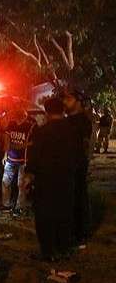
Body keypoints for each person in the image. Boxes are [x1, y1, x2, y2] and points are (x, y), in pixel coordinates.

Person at [27, 97, 78, 259]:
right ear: (62, 111)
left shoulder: (42, 131)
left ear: (47, 112)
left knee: (45, 214)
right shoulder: (72, 131)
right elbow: (79, 155)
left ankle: (48, 250)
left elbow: (34, 156)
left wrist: (29, 175)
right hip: (66, 177)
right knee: (65, 212)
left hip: (45, 179)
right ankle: (64, 246)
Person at [63, 90, 93, 242]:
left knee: (79, 195)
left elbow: (84, 145)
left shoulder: (83, 121)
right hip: (66, 164)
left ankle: (82, 230)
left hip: (77, 163)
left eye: (69, 99)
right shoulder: (67, 120)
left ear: (78, 102)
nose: (65, 102)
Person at [0, 106, 36, 215]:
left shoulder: (31, 125)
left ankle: (20, 207)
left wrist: (23, 146)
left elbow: (34, 141)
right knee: (5, 181)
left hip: (23, 159)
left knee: (21, 184)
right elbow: (7, 138)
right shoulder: (12, 124)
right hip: (11, 157)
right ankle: (5, 204)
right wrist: (5, 154)